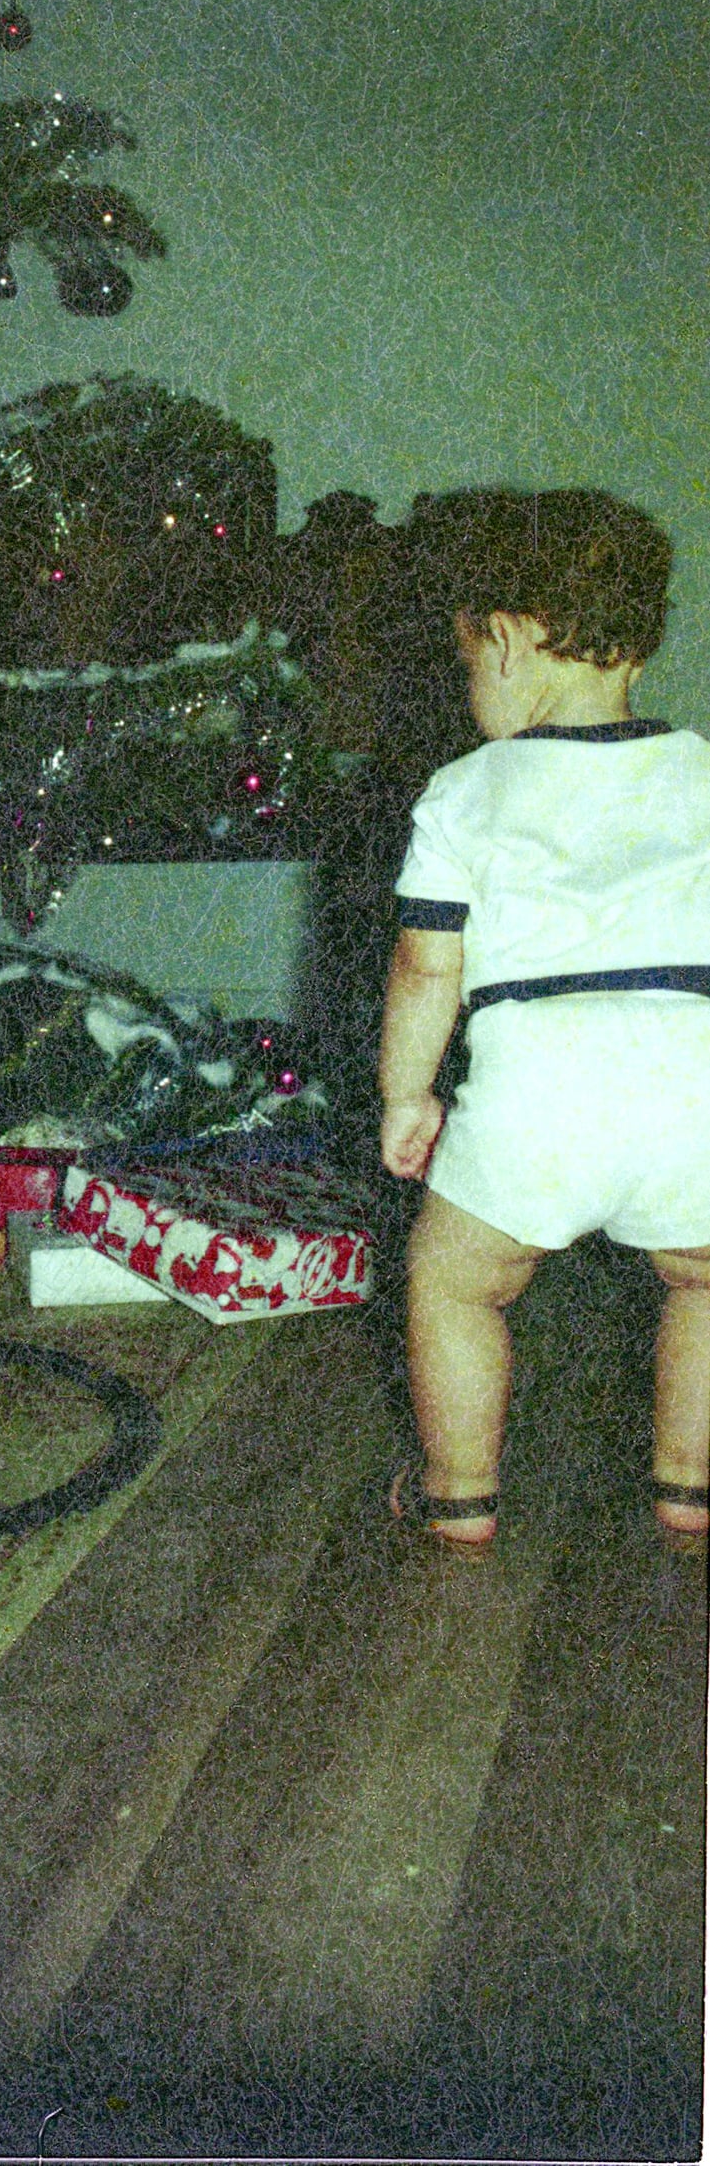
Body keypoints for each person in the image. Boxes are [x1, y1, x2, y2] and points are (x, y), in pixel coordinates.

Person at [378, 487, 710, 1553]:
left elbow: (426, 965)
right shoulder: (704, 774)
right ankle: (689, 1485)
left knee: (453, 1284)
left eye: (469, 660)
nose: (470, 685)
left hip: (537, 1095)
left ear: (511, 639)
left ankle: (459, 1491)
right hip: (690, 1086)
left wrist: (405, 1094)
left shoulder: (464, 791)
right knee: (704, 1283)